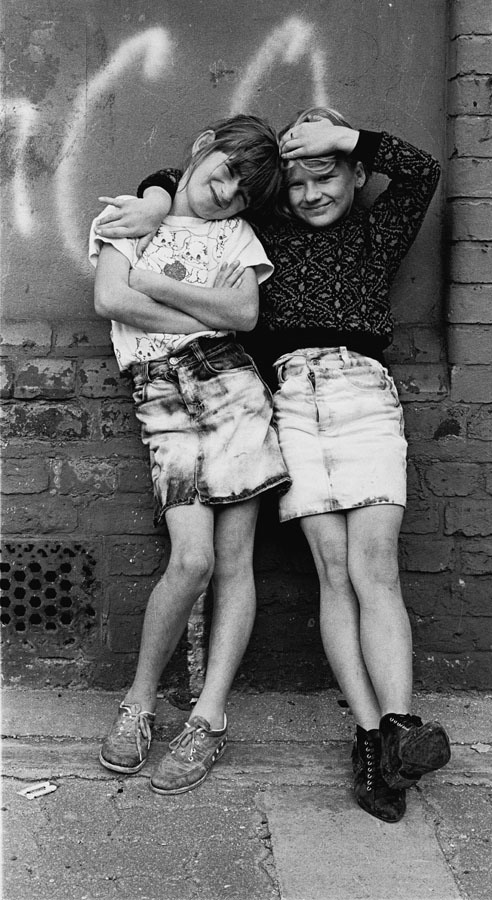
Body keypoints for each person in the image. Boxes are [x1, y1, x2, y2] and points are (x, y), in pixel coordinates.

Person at [95, 107, 451, 822]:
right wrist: (160, 200)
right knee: (323, 569)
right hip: (284, 398)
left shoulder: (375, 229)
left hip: (355, 394)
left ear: (354, 172)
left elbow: (416, 172)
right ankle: (365, 734)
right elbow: (192, 185)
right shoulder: (268, 224)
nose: (310, 194)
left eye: (327, 176)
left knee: (370, 567)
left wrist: (344, 140)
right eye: (297, 183)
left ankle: (394, 729)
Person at [89, 114, 290, 795]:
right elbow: (111, 296)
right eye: (222, 173)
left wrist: (160, 287)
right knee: (192, 558)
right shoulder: (132, 215)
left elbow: (244, 319)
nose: (223, 193)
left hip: (232, 385)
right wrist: (203, 309)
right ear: (201, 147)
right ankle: (138, 703)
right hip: (160, 392)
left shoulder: (239, 235)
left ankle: (207, 718)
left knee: (233, 561)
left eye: (239, 193)